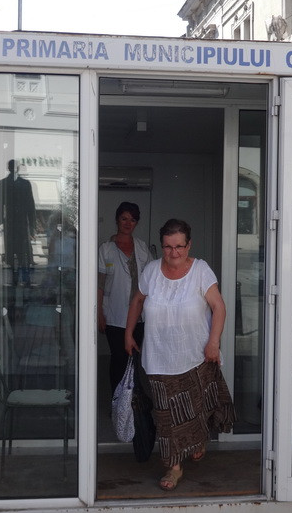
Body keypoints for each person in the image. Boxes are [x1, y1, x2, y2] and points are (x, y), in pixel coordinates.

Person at [125, 219, 235, 491]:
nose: (173, 252)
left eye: (179, 247)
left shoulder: (201, 270)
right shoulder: (151, 271)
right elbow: (137, 300)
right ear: (162, 246)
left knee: (197, 409)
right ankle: (174, 467)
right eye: (168, 247)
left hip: (196, 356)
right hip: (159, 358)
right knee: (166, 418)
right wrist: (128, 333)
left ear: (189, 245)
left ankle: (198, 441)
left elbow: (219, 307)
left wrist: (214, 342)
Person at [98, 202, 153, 398]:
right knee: (119, 359)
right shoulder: (106, 249)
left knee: (135, 361)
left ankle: (133, 405)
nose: (128, 223)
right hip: (114, 315)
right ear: (117, 220)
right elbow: (99, 285)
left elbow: (151, 281)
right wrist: (99, 314)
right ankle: (117, 402)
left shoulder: (142, 248)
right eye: (124, 219)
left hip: (139, 317)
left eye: (133, 220)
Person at [0, 159, 36, 286]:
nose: (14, 168)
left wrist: (32, 225)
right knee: (13, 252)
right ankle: (16, 279)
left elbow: (31, 205)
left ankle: (24, 279)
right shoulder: (3, 183)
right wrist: (0, 223)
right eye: (13, 166)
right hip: (11, 224)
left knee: (22, 253)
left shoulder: (24, 184)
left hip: (21, 224)